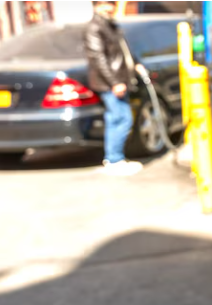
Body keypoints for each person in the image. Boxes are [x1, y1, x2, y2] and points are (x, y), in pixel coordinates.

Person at [83, 1, 144, 175]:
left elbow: (122, 51)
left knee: (117, 118)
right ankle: (114, 159)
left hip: (120, 80)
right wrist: (114, 82)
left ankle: (115, 158)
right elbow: (98, 58)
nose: (111, 7)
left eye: (112, 3)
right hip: (111, 83)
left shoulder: (111, 25)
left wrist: (136, 64)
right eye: (106, 4)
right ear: (97, 5)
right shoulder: (95, 28)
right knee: (121, 118)